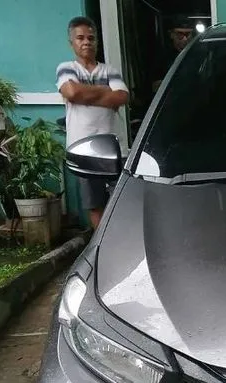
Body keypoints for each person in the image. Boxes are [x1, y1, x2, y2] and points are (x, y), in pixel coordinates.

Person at [56, 16, 129, 230]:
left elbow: (121, 97)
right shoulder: (66, 68)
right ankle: (102, 247)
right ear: (72, 43)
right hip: (84, 150)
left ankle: (120, 240)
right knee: (94, 204)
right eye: (80, 38)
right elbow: (71, 92)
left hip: (115, 150)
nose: (86, 42)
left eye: (91, 38)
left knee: (120, 201)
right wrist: (105, 91)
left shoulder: (109, 70)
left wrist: (85, 94)